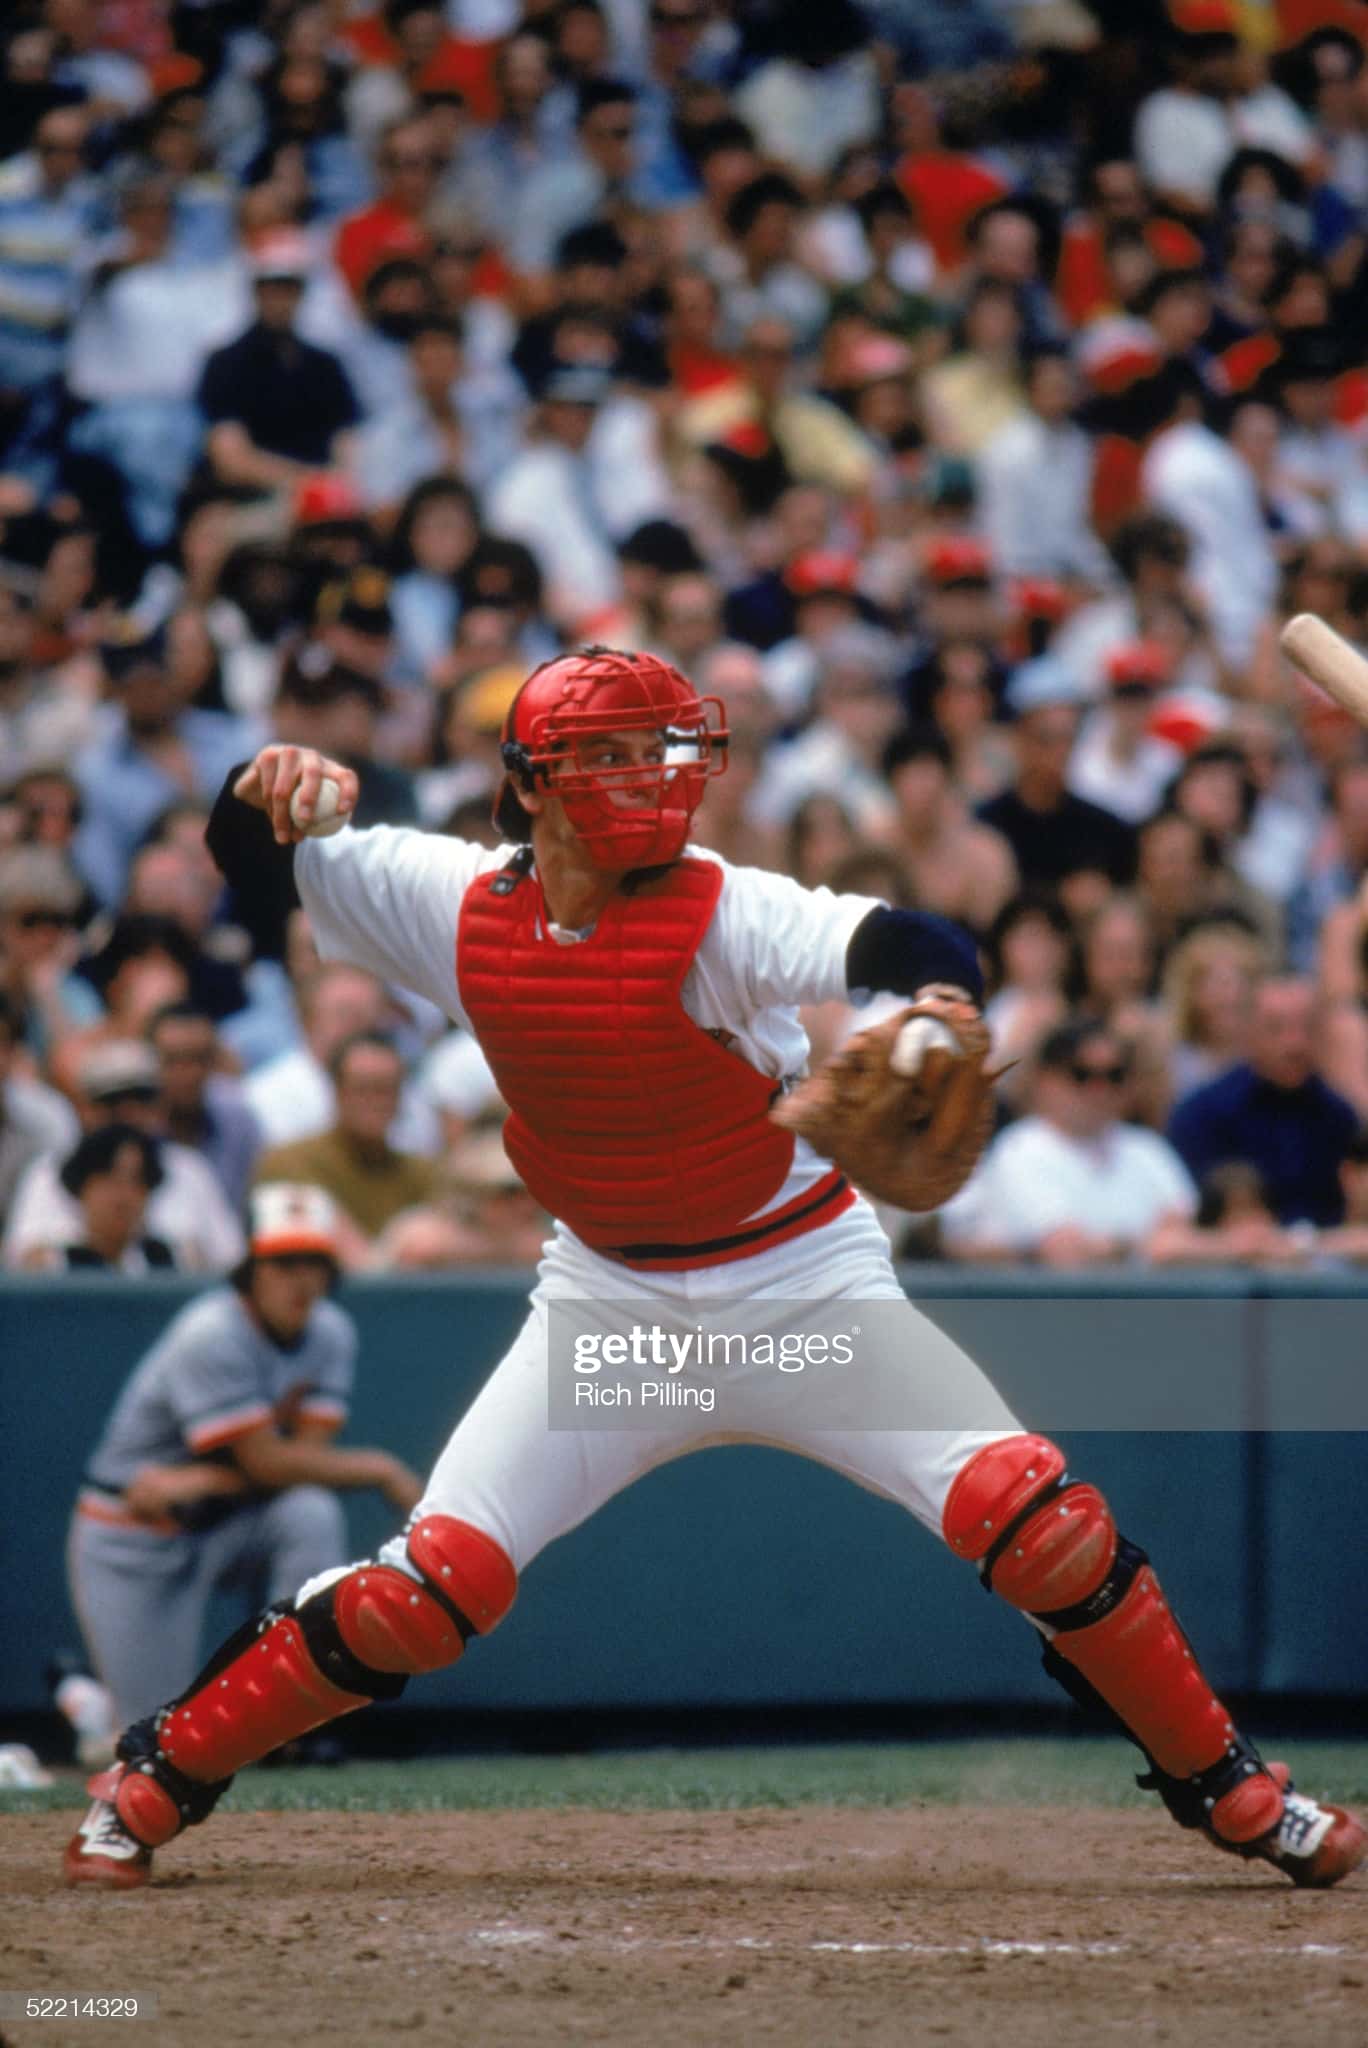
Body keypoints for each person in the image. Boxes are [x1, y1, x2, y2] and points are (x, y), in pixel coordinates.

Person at [63, 646, 1363, 1892]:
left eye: (661, 751)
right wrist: (261, 799)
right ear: (527, 783)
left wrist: (932, 1009)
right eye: (608, 756)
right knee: (426, 1591)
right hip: (614, 1314)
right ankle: (155, 1774)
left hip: (804, 1291)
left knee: (1038, 1518)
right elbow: (261, 873)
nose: (649, 779)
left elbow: (901, 942)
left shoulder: (718, 906)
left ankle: (1232, 1783)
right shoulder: (447, 899)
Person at [63, 1184, 423, 1756]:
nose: (300, 1279)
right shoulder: (212, 1333)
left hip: (229, 1517)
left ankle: (288, 1717)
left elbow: (299, 1466)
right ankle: (84, 1696)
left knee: (309, 1511)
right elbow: (270, 1462)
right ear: (250, 1268)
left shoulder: (329, 1332)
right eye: (283, 1262)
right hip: (136, 1536)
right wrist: (379, 1468)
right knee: (158, 1744)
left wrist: (202, 1480)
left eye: (314, 1262)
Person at [254, 1030, 440, 1258]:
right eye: (362, 1088)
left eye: (385, 1089)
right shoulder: (289, 1162)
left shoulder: (422, 1173)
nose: (374, 1101)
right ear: (336, 1090)